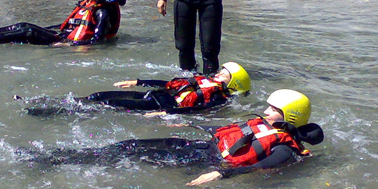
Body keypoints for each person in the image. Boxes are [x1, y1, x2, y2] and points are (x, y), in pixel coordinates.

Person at [21, 89, 323, 186]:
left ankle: (50, 161)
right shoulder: (261, 125)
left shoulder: (288, 148)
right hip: (200, 147)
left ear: (290, 117)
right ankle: (56, 156)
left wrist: (218, 174)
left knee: (129, 154)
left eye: (273, 109)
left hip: (206, 162)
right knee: (127, 146)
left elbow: (262, 166)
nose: (266, 110)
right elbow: (222, 132)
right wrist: (182, 123)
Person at [20, 62, 251, 117]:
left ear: (232, 84)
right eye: (220, 70)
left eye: (224, 74)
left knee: (107, 105)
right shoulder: (202, 81)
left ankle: (46, 112)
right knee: (97, 96)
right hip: (153, 95)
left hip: (161, 105)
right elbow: (170, 85)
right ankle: (42, 100)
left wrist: (167, 114)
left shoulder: (221, 98)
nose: (218, 73)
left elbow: (197, 111)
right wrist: (139, 82)